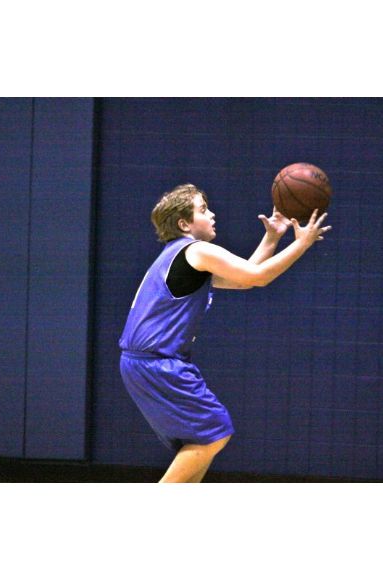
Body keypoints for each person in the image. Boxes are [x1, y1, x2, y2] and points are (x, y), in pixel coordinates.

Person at [119, 183, 331, 483]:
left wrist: (272, 237)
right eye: (203, 210)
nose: (212, 214)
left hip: (144, 362)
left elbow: (243, 279)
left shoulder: (177, 256)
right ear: (184, 224)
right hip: (158, 363)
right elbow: (258, 277)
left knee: (203, 439)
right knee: (213, 432)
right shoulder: (197, 250)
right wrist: (302, 244)